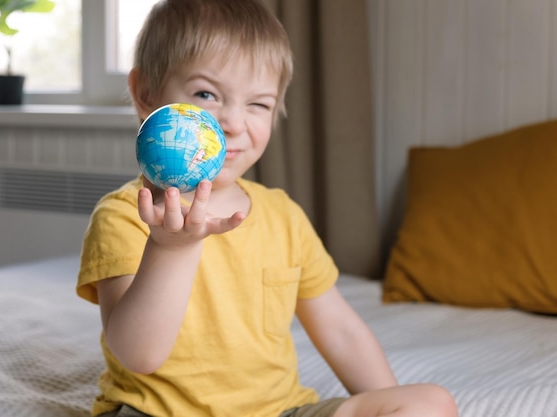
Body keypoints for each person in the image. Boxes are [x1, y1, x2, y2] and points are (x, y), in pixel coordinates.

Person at [76, 0, 460, 416]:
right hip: (158, 413)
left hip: (277, 411)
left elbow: (342, 332)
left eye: (258, 104)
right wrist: (170, 248)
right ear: (146, 94)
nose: (234, 123)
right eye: (206, 94)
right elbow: (139, 355)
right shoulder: (125, 215)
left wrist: (386, 403)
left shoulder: (284, 217)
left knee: (429, 403)